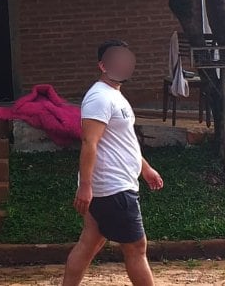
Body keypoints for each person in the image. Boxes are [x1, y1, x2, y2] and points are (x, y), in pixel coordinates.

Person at [62, 40, 165, 286]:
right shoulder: (99, 98)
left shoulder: (114, 95)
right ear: (103, 66)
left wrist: (145, 168)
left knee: (90, 242)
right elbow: (89, 142)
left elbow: (120, 141)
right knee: (137, 248)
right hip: (112, 187)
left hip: (114, 185)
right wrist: (86, 185)